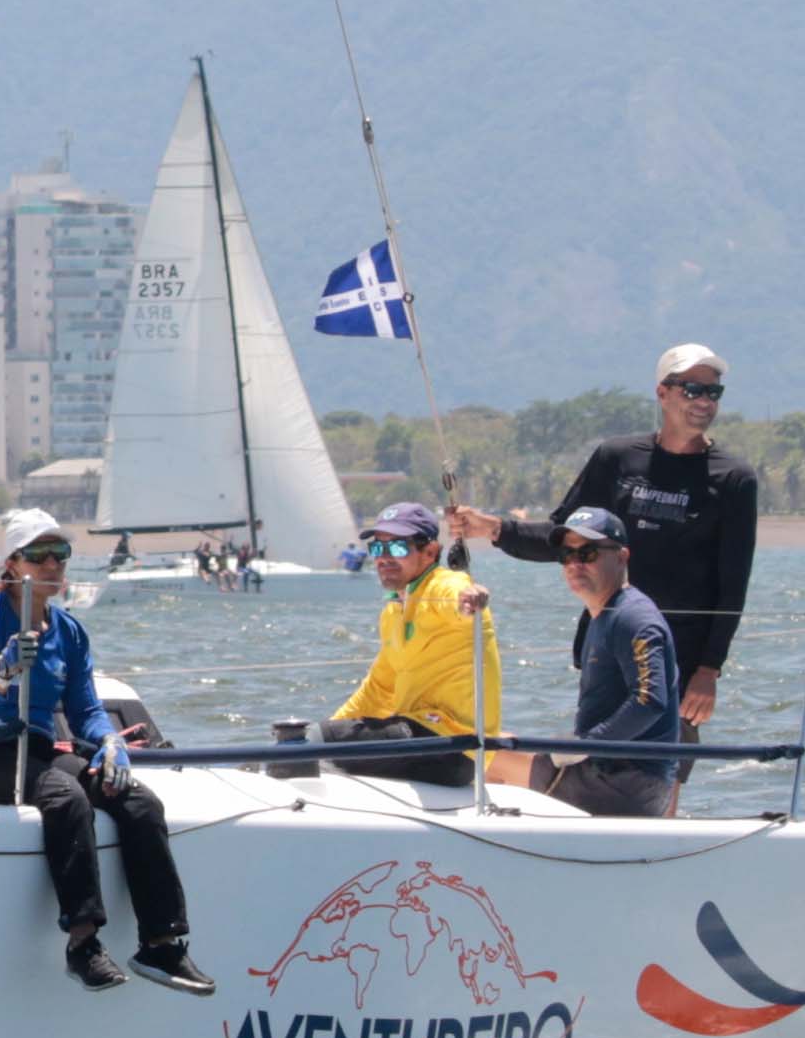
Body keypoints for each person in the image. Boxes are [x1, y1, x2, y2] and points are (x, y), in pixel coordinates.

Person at [0, 510, 208, 995]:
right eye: (38, 555)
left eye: (60, 554)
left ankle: (161, 944)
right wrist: (1, 676)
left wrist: (109, 742)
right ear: (13, 562)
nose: (52, 565)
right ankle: (83, 944)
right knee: (66, 797)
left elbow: (86, 709)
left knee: (138, 801)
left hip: (34, 749)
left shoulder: (70, 632)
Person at [450, 341, 757, 738]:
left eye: (713, 392)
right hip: (609, 643)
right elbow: (564, 539)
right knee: (596, 750)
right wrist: (493, 528)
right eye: (692, 389)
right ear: (662, 392)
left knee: (663, 764)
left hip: (680, 654)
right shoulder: (617, 458)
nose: (704, 401)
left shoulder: (733, 478)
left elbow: (733, 583)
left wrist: (709, 669)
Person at [513, 506, 682, 819]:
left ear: (622, 557)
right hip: (604, 770)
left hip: (626, 783)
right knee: (496, 744)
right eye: (567, 555)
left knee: (486, 756)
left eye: (587, 553)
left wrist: (587, 745)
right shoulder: (603, 614)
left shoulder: (633, 617)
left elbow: (650, 700)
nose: (575, 564)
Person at [317, 501, 498, 784]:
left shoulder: (442, 585)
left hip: (454, 745)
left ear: (430, 552)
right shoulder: (393, 612)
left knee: (314, 742)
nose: (384, 557)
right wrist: (332, 726)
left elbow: (456, 594)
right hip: (421, 740)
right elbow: (379, 690)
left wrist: (468, 600)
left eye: (398, 547)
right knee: (304, 741)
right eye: (378, 548)